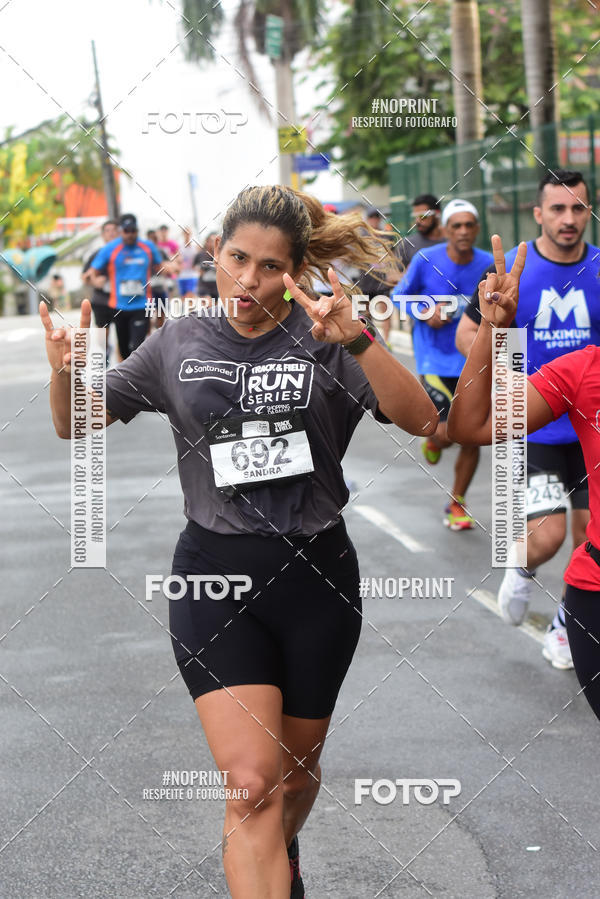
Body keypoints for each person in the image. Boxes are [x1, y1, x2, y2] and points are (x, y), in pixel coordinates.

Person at [40, 184, 438, 899]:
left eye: (268, 266)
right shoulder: (178, 340)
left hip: (316, 577)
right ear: (215, 253)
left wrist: (358, 339)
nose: (248, 280)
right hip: (214, 575)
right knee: (251, 782)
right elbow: (78, 423)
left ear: (295, 270)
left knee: (295, 771)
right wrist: (66, 370)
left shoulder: (325, 333)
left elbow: (423, 421)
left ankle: (281, 850)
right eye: (237, 259)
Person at [448, 234, 600, 722]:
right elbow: (470, 426)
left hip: (578, 439)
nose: (569, 219)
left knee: (578, 533)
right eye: (558, 208)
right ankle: (521, 566)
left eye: (579, 207)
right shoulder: (585, 370)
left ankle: (560, 623)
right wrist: (500, 334)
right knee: (547, 536)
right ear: (539, 214)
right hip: (543, 425)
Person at [392, 199, 493, 530]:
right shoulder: (426, 259)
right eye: (457, 226)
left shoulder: (490, 264)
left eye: (469, 225)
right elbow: (398, 296)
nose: (463, 231)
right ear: (446, 230)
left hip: (474, 361)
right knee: (447, 432)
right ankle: (435, 441)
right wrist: (426, 311)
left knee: (473, 437)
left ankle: (457, 503)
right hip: (434, 359)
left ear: (476, 229)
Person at [88, 214, 163, 359]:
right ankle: (126, 376)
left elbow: (160, 266)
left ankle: (138, 379)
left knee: (138, 347)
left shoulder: (147, 247)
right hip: (119, 306)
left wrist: (172, 267)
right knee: (123, 350)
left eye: (133, 231)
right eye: (126, 231)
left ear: (137, 231)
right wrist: (95, 280)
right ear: (121, 231)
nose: (130, 235)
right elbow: (92, 272)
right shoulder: (110, 248)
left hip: (142, 305)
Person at [82, 219, 119, 363]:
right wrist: (95, 282)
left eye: (114, 230)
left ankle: (124, 371)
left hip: (123, 301)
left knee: (124, 341)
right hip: (102, 300)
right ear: (103, 235)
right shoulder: (97, 254)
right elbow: (84, 277)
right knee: (103, 334)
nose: (111, 234)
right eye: (108, 231)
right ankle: (105, 352)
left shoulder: (127, 252)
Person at [399, 194, 445, 267]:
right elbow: (392, 275)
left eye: (422, 216)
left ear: (437, 214)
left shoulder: (453, 241)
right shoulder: (407, 244)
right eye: (415, 216)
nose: (417, 221)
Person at [194, 232, 219, 300]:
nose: (213, 243)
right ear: (207, 242)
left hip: (216, 287)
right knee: (207, 306)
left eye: (215, 241)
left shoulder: (219, 255)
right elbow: (194, 267)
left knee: (215, 309)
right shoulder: (200, 255)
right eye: (211, 241)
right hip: (204, 287)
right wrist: (199, 271)